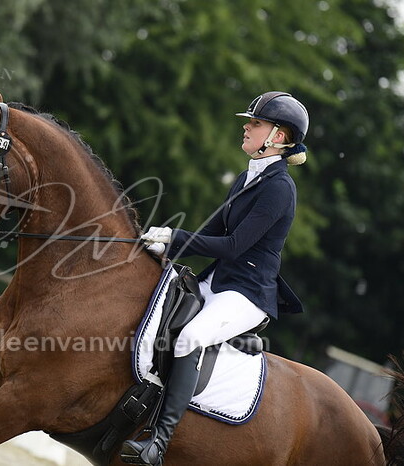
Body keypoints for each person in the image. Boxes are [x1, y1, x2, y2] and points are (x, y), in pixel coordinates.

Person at [120, 91, 308, 466]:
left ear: (278, 136)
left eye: (255, 123)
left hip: (248, 294)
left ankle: (158, 442)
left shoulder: (279, 188)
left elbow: (234, 246)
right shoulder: (247, 177)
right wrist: (161, 250)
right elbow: (212, 231)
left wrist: (175, 236)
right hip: (219, 281)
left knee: (191, 337)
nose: (246, 127)